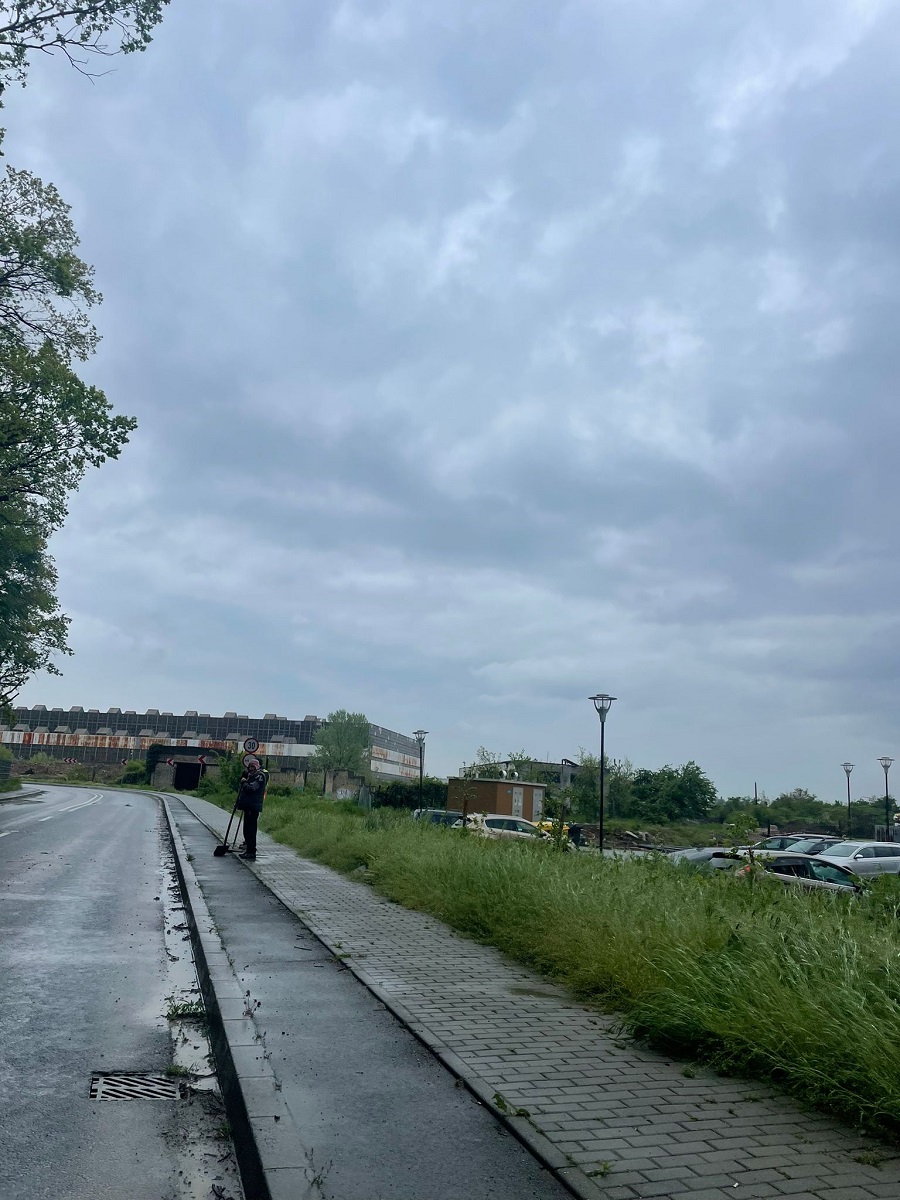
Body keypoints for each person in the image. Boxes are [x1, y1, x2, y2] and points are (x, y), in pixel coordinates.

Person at [236, 759, 268, 861]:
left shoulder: (259, 776)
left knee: (251, 830)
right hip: (248, 806)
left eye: (253, 767)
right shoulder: (251, 776)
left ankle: (251, 851)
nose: (251, 769)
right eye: (249, 767)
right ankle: (248, 850)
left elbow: (251, 788)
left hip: (253, 807)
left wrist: (244, 782)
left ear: (257, 767)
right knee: (246, 829)